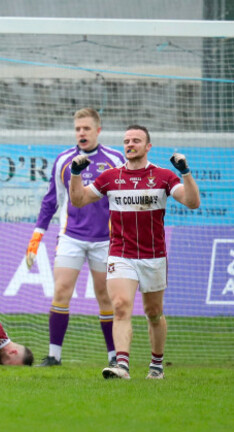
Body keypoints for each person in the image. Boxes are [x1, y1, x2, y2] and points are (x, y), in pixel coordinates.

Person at [68, 124, 200, 379]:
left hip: (153, 256)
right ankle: (122, 366)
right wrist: (76, 173)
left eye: (136, 141)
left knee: (153, 313)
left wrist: (185, 173)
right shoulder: (110, 177)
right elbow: (79, 200)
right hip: (121, 254)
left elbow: (192, 202)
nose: (130, 144)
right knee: (120, 306)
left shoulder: (163, 176)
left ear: (148, 146)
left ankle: (157, 365)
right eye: (127, 140)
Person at [25, 108, 125, 367]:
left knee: (106, 297)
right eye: (78, 129)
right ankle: (54, 356)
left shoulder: (114, 159)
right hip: (71, 236)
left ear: (98, 130)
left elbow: (123, 199)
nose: (82, 133)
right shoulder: (63, 160)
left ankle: (114, 358)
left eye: (86, 128)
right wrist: (36, 238)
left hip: (105, 239)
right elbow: (51, 201)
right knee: (61, 291)